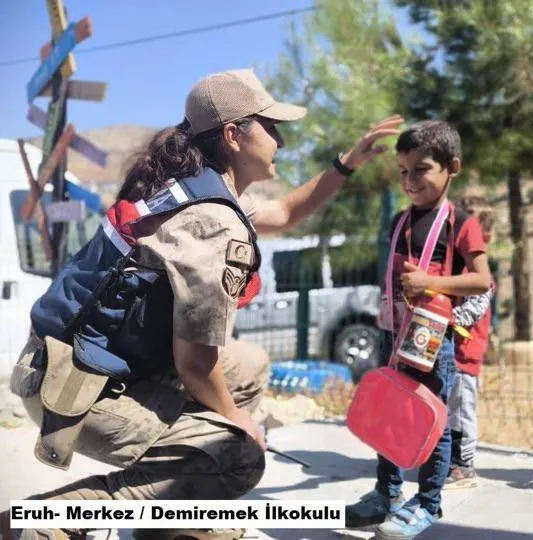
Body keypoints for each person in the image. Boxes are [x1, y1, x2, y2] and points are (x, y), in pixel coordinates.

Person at [1, 69, 401, 540]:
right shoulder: (213, 223)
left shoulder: (187, 190)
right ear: (233, 135)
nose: (281, 141)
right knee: (236, 453)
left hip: (55, 365)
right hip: (74, 392)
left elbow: (287, 213)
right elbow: (195, 362)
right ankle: (53, 522)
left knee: (248, 365)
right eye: (270, 128)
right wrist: (240, 423)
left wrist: (346, 164)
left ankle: (170, 524)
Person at [345, 120, 491, 540]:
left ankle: (427, 502)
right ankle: (386, 494)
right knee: (392, 410)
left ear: (452, 168)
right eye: (404, 171)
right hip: (395, 334)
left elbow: (482, 280)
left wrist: (432, 284)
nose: (410, 180)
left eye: (422, 169)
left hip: (433, 340)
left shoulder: (462, 223)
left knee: (434, 420)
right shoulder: (399, 222)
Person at [445, 197, 496, 489]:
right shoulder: (456, 270)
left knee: (462, 411)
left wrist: (445, 318)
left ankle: (464, 466)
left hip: (466, 357)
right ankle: (446, 459)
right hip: (450, 354)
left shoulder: (479, 277)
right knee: (448, 410)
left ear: (483, 238)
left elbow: (472, 310)